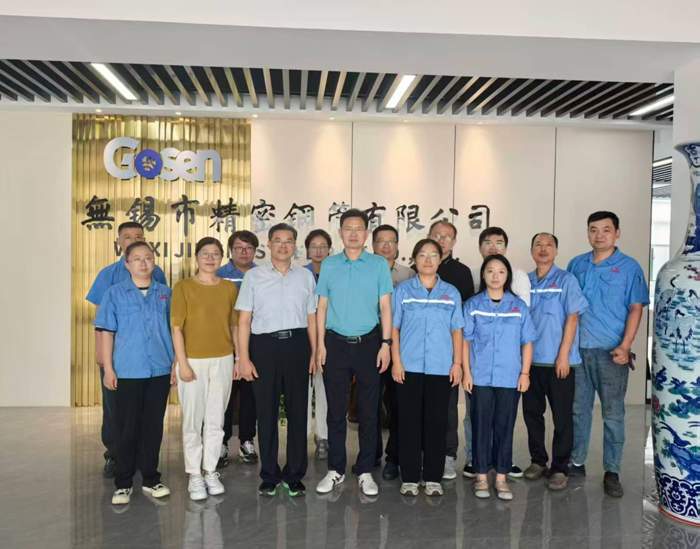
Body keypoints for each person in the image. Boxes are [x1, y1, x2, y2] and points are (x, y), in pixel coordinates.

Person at [567, 211, 649, 497]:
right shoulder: (576, 264)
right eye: (593, 230)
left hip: (612, 353)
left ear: (617, 233)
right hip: (579, 352)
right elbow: (569, 309)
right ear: (588, 233)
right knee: (578, 410)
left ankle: (612, 470)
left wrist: (626, 346)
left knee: (613, 414)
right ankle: (576, 461)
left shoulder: (629, 267)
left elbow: (636, 308)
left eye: (606, 229)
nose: (599, 235)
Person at [315, 209, 394, 497]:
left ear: (366, 234)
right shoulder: (329, 264)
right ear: (340, 233)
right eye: (348, 228)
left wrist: (386, 344)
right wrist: (320, 345)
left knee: (369, 411)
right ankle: (335, 470)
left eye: (359, 228)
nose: (353, 233)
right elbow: (322, 307)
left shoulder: (378, 265)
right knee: (336, 411)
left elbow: (385, 306)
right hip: (335, 344)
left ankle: (365, 471)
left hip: (369, 344)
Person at [236, 223, 318, 497]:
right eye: (278, 241)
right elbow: (244, 320)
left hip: (297, 345)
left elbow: (311, 318)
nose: (283, 246)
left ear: (295, 246)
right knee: (266, 413)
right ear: (269, 244)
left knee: (298, 412)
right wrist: (244, 358)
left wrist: (314, 351)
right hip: (264, 347)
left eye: (289, 241)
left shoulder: (305, 277)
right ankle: (269, 475)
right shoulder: (254, 277)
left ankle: (294, 475)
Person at [94, 241, 174, 505]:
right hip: (127, 370)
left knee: (153, 426)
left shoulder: (166, 293)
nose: (143, 263)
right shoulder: (114, 294)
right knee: (126, 428)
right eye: (136, 259)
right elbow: (107, 333)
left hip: (159, 369)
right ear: (127, 264)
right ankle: (123, 483)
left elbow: (175, 331)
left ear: (154, 261)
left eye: (148, 258)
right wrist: (108, 369)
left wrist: (175, 364)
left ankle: (151, 478)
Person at [391, 239, 464, 496]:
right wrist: (396, 361)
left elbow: (457, 330)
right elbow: (394, 328)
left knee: (437, 422)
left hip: (440, 367)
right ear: (414, 260)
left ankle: (433, 477)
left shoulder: (451, 293)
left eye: (433, 255)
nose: (428, 260)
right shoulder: (403, 291)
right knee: (409, 422)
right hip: (408, 366)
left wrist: (457, 363)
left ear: (440, 260)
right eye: (422, 255)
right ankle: (410, 477)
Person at [462, 255, 536, 500]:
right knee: (480, 425)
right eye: (490, 271)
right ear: (483, 275)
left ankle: (502, 477)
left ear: (508, 276)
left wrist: (525, 373)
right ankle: (482, 476)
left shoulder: (518, 307)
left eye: (501, 271)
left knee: (505, 425)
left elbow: (527, 342)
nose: (495, 276)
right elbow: (465, 341)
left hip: (510, 376)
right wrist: (467, 372)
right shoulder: (473, 305)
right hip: (480, 376)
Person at [172, 237, 239, 501]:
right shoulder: (183, 287)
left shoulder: (229, 288)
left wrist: (237, 358)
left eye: (215, 254)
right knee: (193, 420)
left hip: (223, 359)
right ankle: (194, 474)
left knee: (215, 419)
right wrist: (182, 363)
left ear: (222, 257)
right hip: (193, 361)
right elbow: (176, 328)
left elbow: (234, 326)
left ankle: (210, 470)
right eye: (205, 253)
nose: (210, 258)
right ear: (197, 257)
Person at [523, 233, 588, 491]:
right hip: (531, 362)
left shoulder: (566, 280)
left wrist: (563, 354)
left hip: (559, 362)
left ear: (556, 251)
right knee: (532, 414)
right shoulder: (524, 282)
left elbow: (572, 319)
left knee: (562, 417)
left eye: (548, 245)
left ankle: (560, 467)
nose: (543, 249)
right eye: (538, 244)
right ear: (531, 250)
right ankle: (538, 461)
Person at [425, 220, 475, 481]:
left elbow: (463, 318)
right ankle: (422, 453)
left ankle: (447, 456)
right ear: (428, 236)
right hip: (419, 350)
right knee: (420, 406)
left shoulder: (461, 272)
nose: (441, 240)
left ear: (454, 242)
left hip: (448, 351)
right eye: (437, 235)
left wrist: (459, 359)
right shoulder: (418, 268)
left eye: (447, 237)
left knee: (447, 409)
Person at [372, 224, 416, 481]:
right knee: (370, 403)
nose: (386, 245)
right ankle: (371, 453)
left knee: (397, 404)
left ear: (398, 246)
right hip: (369, 344)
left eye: (391, 241)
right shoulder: (364, 271)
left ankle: (394, 458)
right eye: (381, 241)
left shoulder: (409, 274)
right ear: (373, 245)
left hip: (399, 346)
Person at [216, 230, 259, 467]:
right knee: (225, 396)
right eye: (239, 248)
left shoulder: (262, 274)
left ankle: (247, 441)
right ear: (230, 250)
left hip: (255, 345)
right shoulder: (219, 275)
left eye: (249, 248)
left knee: (251, 396)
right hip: (224, 344)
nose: (244, 252)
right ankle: (221, 443)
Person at [304, 228, 332, 460]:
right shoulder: (299, 274)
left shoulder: (336, 271)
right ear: (307, 250)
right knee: (302, 389)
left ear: (330, 249)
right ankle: (301, 434)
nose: (319, 250)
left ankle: (323, 436)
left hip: (329, 338)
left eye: (323, 246)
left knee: (324, 388)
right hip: (303, 339)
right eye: (314, 246)